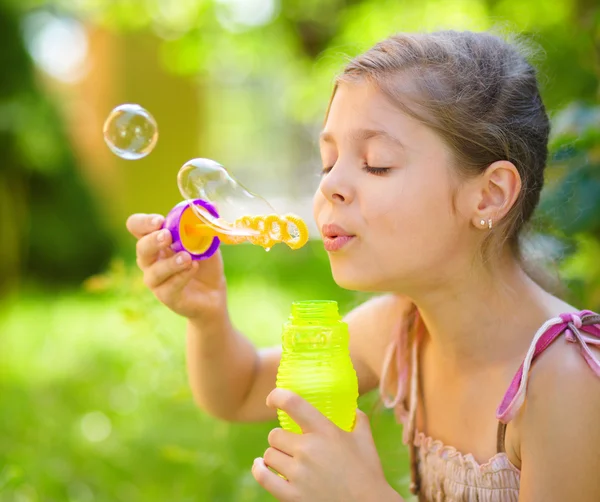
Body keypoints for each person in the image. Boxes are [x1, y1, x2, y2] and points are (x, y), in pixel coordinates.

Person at [126, 30, 600, 502]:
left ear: (489, 194)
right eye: (327, 163)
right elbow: (244, 389)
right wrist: (207, 316)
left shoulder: (563, 385)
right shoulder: (401, 331)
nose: (331, 186)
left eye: (376, 164)